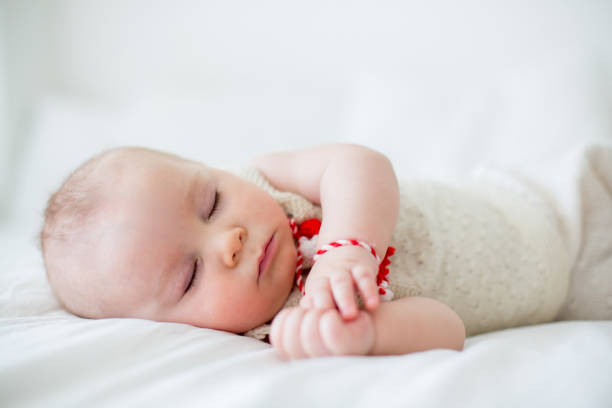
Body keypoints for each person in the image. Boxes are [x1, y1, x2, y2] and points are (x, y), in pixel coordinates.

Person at [40, 143, 612, 359]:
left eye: (211, 201)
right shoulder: (291, 322)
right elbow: (447, 327)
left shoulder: (267, 182)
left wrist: (347, 248)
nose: (229, 240)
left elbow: (360, 163)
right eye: (190, 275)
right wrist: (366, 334)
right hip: (577, 295)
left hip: (551, 205)